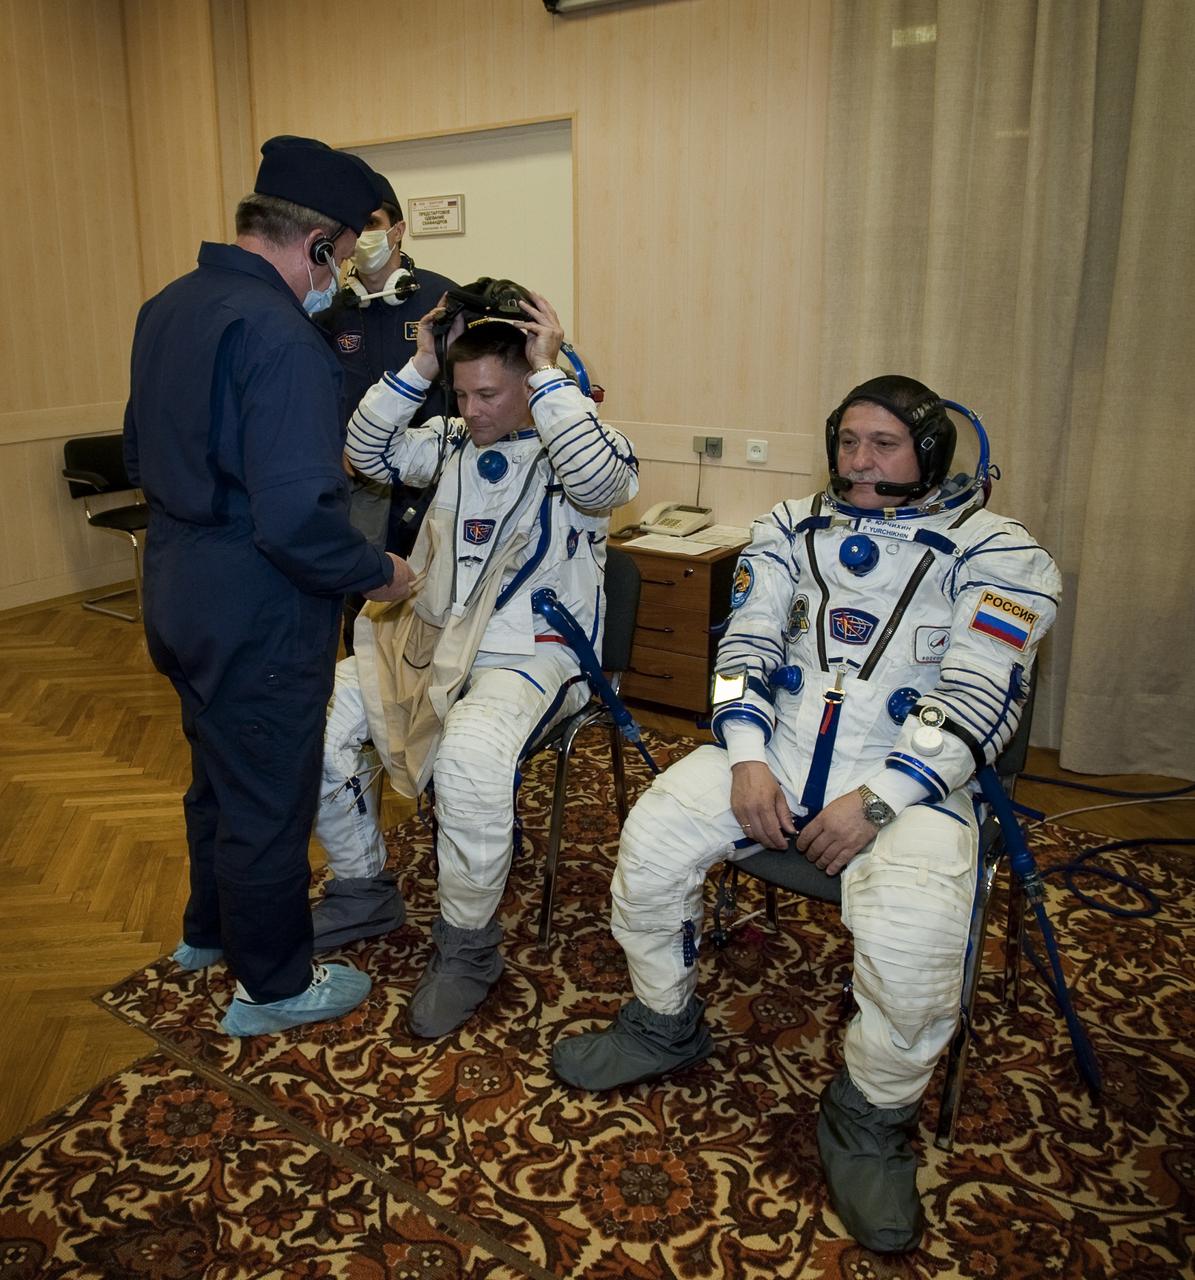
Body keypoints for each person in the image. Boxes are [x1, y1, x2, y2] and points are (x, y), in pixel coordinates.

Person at [552, 375, 1061, 1254]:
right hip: (775, 754)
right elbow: (743, 647)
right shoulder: (789, 529)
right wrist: (746, 759)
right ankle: (662, 1023)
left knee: (913, 944)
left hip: (915, 786)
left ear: (929, 454)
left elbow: (981, 695)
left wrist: (880, 799)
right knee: (650, 838)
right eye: (849, 442)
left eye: (885, 445)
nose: (860, 463)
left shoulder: (1003, 556)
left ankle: (869, 1117)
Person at [123, 135, 413, 1038]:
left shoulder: (169, 305)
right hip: (255, 601)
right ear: (319, 244)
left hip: (174, 583)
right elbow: (294, 523)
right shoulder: (282, 337)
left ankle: (208, 932)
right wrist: (380, 572)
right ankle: (275, 985)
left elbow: (140, 450)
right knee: (268, 798)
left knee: (216, 774)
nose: (345, 276)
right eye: (347, 252)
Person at [311, 284, 639, 1038]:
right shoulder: (453, 443)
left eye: (489, 393)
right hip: (434, 641)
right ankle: (363, 889)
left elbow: (602, 485)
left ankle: (467, 950)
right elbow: (364, 454)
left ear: (535, 382)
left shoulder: (582, 449)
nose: (472, 411)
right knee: (319, 724)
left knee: (468, 757)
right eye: (461, 394)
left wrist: (554, 378)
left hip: (532, 654)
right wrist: (421, 366)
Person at [316, 175, 458, 609]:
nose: (362, 236)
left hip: (426, 481)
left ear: (397, 230)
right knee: (361, 601)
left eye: (373, 223)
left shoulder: (441, 299)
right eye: (353, 226)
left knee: (428, 597)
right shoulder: (328, 309)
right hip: (357, 485)